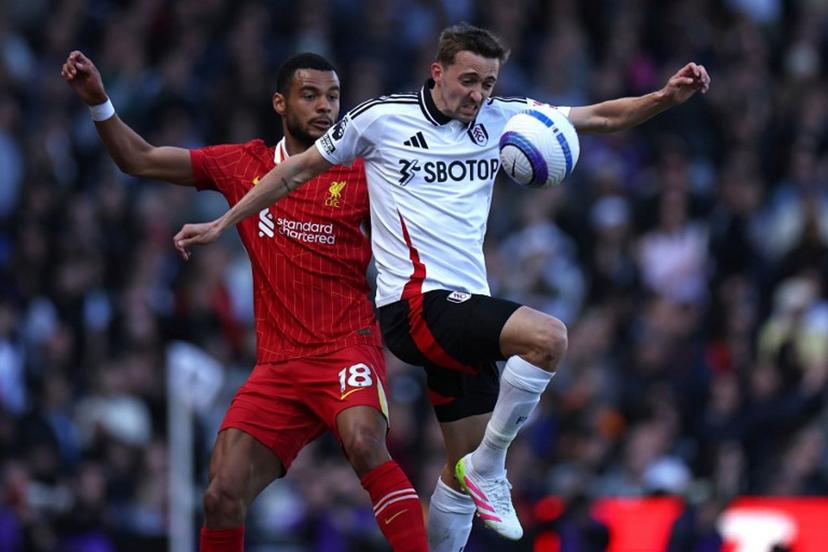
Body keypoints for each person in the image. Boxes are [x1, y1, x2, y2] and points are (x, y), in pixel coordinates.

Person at [173, 22, 711, 549]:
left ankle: (476, 478)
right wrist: (223, 223)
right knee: (548, 338)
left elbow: (600, 116)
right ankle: (494, 466)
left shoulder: (503, 120)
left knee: (458, 476)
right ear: (438, 72)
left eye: (489, 83)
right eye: (469, 80)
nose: (478, 94)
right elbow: (292, 173)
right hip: (413, 305)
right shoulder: (379, 119)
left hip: (462, 309)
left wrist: (664, 96)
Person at [61, 50, 428, 552]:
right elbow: (139, 159)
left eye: (334, 96)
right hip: (278, 368)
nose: (325, 107)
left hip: (348, 347)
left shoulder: (361, 172)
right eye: (311, 95)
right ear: (280, 103)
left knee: (365, 443)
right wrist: (100, 102)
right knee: (220, 495)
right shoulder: (243, 164)